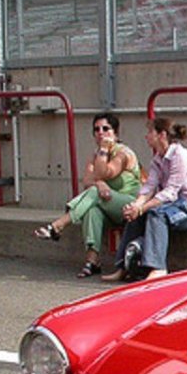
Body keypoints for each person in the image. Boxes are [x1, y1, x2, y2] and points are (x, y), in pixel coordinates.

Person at [102, 116, 187, 282]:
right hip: (174, 207)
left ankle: (158, 268)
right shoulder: (158, 160)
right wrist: (136, 206)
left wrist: (142, 208)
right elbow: (149, 187)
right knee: (136, 217)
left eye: (150, 132)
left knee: (156, 214)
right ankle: (122, 267)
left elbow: (170, 192)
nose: (146, 136)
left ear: (162, 135)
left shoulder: (179, 156)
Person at [34, 112, 142, 277]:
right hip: (107, 204)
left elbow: (106, 172)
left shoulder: (123, 153)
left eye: (106, 128)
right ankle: (92, 261)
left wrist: (103, 152)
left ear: (115, 132)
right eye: (96, 129)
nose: (101, 133)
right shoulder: (97, 154)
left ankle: (57, 226)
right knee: (92, 210)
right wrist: (99, 183)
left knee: (94, 194)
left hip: (129, 205)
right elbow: (87, 180)